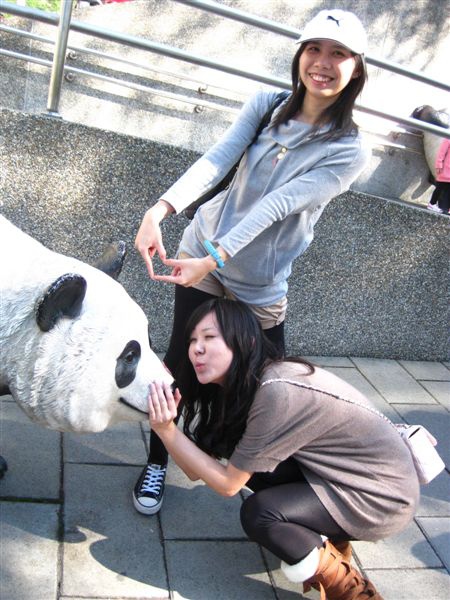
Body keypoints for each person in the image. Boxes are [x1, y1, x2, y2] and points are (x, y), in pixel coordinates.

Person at [133, 8, 372, 515]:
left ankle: (244, 467)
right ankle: (157, 459)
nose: (322, 63)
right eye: (313, 49)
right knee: (182, 362)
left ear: (356, 68)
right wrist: (159, 209)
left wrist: (215, 258)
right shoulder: (268, 105)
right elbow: (217, 159)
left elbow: (278, 204)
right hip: (201, 251)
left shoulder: (349, 149)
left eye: (338, 54)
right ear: (299, 55)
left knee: (267, 381)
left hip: (258, 282)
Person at [147, 298, 419, 599]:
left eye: (209, 337)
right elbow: (195, 471)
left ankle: (351, 590)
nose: (196, 348)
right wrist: (165, 425)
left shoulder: (275, 391)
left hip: (381, 497)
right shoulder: (240, 386)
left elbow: (227, 484)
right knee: (242, 456)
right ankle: (327, 541)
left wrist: (166, 430)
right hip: (345, 476)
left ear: (246, 341)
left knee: (260, 515)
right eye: (192, 340)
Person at [427, 137, 450, 214]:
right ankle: (432, 203)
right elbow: (441, 152)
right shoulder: (448, 137)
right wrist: (439, 164)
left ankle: (447, 208)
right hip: (445, 169)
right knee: (439, 187)